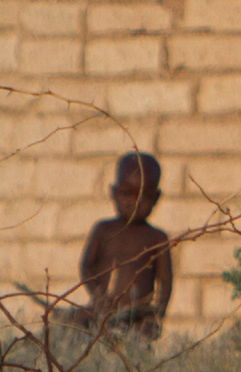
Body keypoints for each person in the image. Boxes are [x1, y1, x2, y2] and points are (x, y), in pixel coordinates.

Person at [64, 150, 176, 350]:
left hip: (138, 315)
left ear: (157, 198)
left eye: (144, 196)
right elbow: (86, 267)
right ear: (113, 192)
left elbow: (165, 280)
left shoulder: (157, 238)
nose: (134, 202)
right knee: (72, 324)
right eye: (126, 194)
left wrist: (157, 315)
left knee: (138, 347)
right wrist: (98, 296)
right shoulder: (103, 230)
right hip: (103, 312)